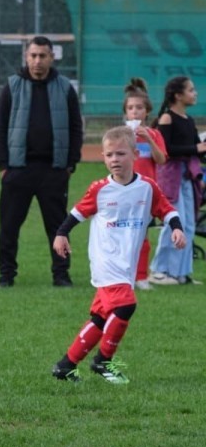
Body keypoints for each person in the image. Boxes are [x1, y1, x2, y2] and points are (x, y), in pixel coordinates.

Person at [50, 126, 185, 385]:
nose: (114, 160)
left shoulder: (147, 187)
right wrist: (61, 233)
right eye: (109, 155)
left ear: (135, 154)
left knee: (101, 318)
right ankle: (102, 360)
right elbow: (76, 213)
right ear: (103, 157)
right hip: (105, 260)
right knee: (126, 305)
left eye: (120, 154)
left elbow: (167, 209)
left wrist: (176, 229)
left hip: (127, 264)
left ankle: (65, 366)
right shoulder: (100, 189)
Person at [0, 35, 83, 288]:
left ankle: (61, 275)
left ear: (52, 58)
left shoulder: (64, 87)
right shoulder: (12, 86)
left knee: (58, 228)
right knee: (9, 227)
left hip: (53, 171)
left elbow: (76, 128)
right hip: (17, 170)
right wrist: (3, 166)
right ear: (26, 56)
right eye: (33, 55)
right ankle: (6, 275)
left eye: (43, 56)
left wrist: (70, 164)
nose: (37, 61)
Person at [150, 76, 206, 285]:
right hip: (170, 176)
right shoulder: (167, 118)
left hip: (187, 176)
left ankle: (181, 273)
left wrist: (200, 148)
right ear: (178, 95)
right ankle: (160, 270)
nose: (195, 93)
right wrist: (196, 148)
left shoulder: (189, 120)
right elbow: (166, 150)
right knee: (174, 223)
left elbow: (196, 150)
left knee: (189, 224)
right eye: (191, 90)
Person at [120, 78, 167, 290]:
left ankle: (141, 276)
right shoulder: (120, 135)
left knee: (142, 236)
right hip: (122, 192)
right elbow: (113, 162)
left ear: (146, 111)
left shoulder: (155, 134)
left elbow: (161, 159)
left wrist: (148, 139)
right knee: (122, 235)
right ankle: (122, 276)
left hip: (145, 192)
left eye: (139, 108)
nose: (135, 112)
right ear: (126, 112)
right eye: (131, 108)